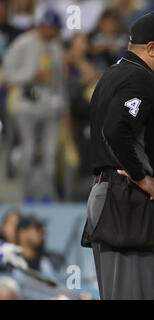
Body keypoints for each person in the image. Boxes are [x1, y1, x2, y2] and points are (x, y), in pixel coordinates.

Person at [80, 11, 154, 300]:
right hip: (127, 200)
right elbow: (116, 129)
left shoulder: (117, 72)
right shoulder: (138, 78)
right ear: (151, 48)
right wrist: (141, 176)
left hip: (115, 196)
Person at [3, 8, 66, 203]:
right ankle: (27, 196)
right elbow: (7, 74)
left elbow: (59, 80)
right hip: (27, 106)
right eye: (54, 29)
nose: (57, 33)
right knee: (28, 152)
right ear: (45, 26)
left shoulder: (55, 46)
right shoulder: (23, 43)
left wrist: (63, 105)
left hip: (50, 107)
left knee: (50, 154)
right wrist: (31, 76)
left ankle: (47, 196)